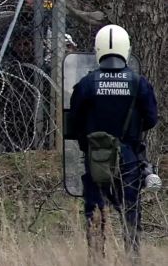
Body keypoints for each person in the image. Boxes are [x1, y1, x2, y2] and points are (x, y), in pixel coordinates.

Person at [66, 24, 159, 261]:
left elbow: (73, 123)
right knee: (130, 213)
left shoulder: (86, 84)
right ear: (126, 49)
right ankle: (133, 259)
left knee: (94, 212)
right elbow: (151, 119)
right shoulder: (139, 83)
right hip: (129, 158)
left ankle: (96, 259)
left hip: (96, 160)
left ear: (98, 49)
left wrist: (89, 141)